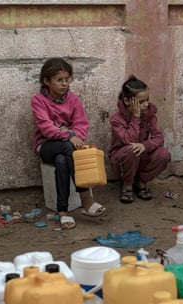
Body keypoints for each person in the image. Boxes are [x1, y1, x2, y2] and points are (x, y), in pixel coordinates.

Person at [31, 58, 106, 229]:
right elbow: (46, 128)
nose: (64, 84)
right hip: (46, 146)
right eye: (59, 80)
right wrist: (69, 135)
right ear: (46, 81)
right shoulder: (38, 101)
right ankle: (86, 199)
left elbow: (82, 125)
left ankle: (62, 212)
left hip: (66, 150)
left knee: (62, 160)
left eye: (67, 79)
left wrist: (74, 136)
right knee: (66, 147)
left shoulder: (73, 100)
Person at [109, 75, 171, 203]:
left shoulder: (150, 115)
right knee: (132, 148)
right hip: (121, 161)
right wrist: (136, 117)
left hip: (141, 156)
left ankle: (142, 182)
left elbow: (158, 138)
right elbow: (128, 140)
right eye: (141, 102)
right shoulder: (116, 120)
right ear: (127, 101)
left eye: (147, 100)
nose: (146, 104)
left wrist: (145, 145)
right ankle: (127, 185)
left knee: (164, 154)